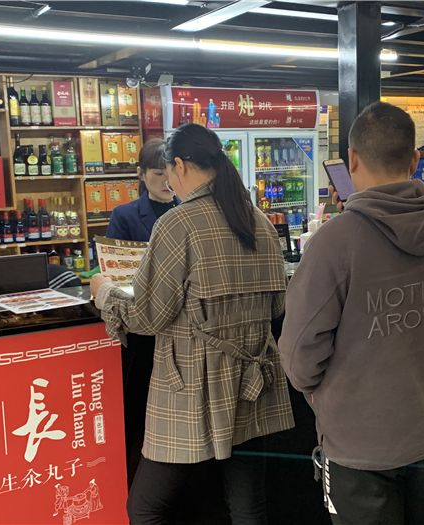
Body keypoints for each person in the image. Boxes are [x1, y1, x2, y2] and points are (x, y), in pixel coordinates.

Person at [90, 123, 294, 525]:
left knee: (145, 508)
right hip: (255, 383)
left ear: (180, 165)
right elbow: (277, 306)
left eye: (169, 172)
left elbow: (145, 316)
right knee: (248, 507)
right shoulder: (259, 221)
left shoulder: (177, 224)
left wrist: (104, 292)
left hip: (193, 387)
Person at [279, 101, 424, 525]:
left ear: (353, 160)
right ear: (415, 160)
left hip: (359, 444)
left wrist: (315, 392)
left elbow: (300, 352)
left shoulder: (336, 242)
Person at [105, 138, 180, 488]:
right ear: (141, 174)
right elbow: (113, 271)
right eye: (156, 173)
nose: (165, 180)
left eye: (170, 172)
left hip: (179, 326)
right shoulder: (125, 215)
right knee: (138, 405)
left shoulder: (187, 211)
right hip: (141, 326)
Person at [107, 138, 178, 243]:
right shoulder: (123, 215)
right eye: (159, 173)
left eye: (174, 173)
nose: (167, 181)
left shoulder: (192, 211)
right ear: (141, 174)